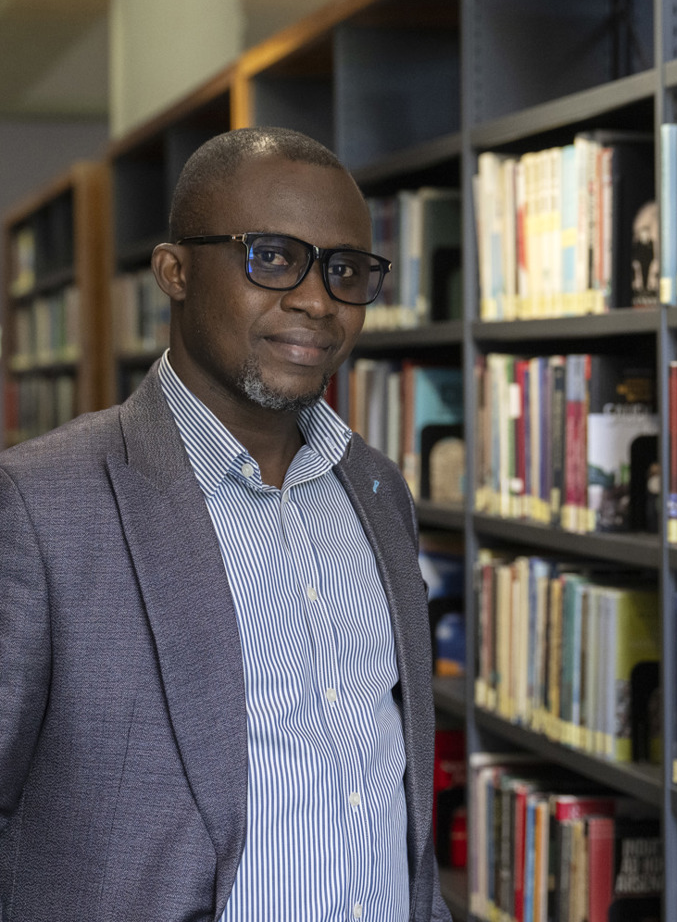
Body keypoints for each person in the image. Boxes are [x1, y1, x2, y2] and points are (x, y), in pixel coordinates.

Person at [0, 127, 453, 921]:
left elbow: (395, 791)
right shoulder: (41, 505)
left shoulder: (379, 491)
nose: (317, 300)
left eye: (346, 270)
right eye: (272, 257)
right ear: (174, 272)